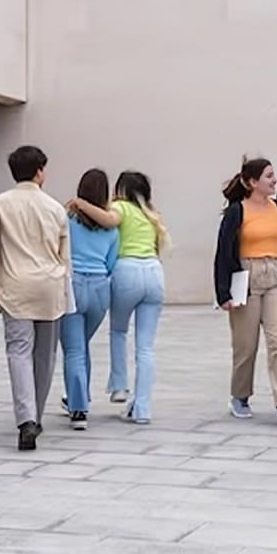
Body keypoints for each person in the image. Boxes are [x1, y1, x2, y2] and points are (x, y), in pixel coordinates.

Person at [0, 146, 71, 451]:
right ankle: (36, 417)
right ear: (40, 171)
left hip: (15, 285)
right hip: (50, 286)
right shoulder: (56, 208)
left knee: (18, 351)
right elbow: (64, 255)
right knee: (45, 356)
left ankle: (26, 418)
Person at [70, 170, 169, 424]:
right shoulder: (151, 214)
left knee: (118, 331)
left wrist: (81, 204)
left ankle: (119, 385)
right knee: (146, 347)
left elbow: (108, 220)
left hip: (127, 270)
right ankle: (143, 409)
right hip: (155, 272)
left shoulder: (120, 207)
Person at [214, 158, 277, 429]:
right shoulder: (236, 212)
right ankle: (240, 396)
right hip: (246, 275)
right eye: (268, 176)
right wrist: (223, 293)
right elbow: (223, 253)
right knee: (246, 345)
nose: (274, 180)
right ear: (252, 182)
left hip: (275, 273)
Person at [59, 169, 119, 431]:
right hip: (99, 288)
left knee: (73, 349)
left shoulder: (67, 220)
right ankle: (80, 396)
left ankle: (78, 408)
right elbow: (111, 263)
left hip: (72, 285)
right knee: (82, 344)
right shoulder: (112, 229)